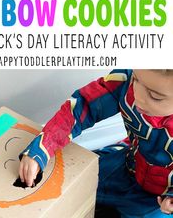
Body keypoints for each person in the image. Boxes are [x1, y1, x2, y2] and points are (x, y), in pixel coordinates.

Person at [19, 70, 173, 217]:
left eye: (155, 96)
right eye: (136, 79)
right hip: (128, 165)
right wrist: (42, 148)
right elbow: (82, 106)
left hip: (157, 200)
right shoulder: (125, 80)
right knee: (70, 182)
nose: (138, 96)